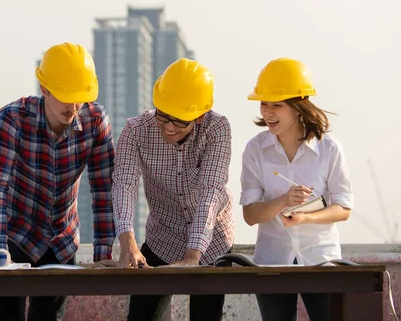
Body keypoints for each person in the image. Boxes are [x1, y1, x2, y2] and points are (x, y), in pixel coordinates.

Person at [0, 42, 116, 321]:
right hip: (16, 238)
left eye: (79, 97)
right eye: (65, 97)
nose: (73, 107)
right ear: (45, 90)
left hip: (61, 241)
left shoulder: (95, 121)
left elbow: (104, 189)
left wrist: (104, 251)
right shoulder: (12, 119)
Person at [112, 58, 235, 321]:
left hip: (212, 243)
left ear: (200, 116)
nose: (169, 127)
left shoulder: (218, 129)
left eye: (179, 121)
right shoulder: (136, 131)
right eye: (163, 116)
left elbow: (210, 191)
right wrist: (127, 241)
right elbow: (124, 182)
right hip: (162, 237)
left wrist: (194, 254)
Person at [240, 58, 354, 321]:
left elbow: (344, 208)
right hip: (271, 262)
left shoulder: (329, 149)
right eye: (264, 104)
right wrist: (282, 201)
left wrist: (306, 218)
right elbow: (250, 215)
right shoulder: (254, 150)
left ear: (298, 107)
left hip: (321, 259)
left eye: (277, 105)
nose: (267, 112)